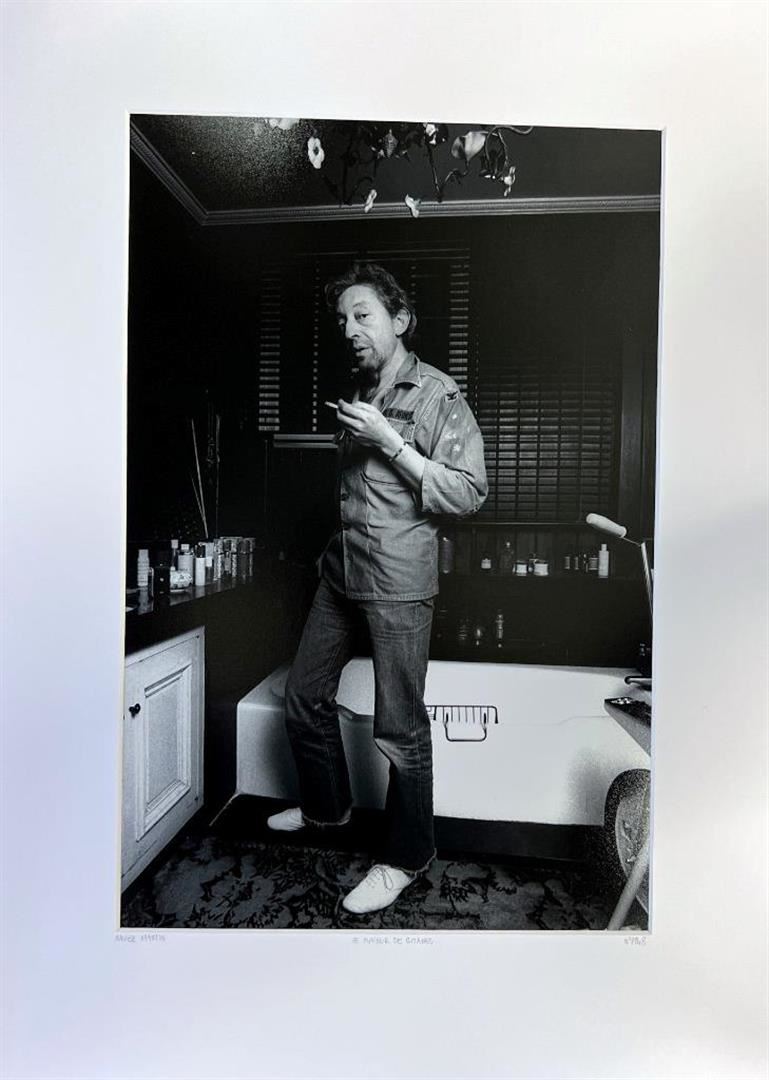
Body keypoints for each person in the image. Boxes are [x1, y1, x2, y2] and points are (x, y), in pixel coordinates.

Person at [267, 261, 488, 914]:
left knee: (399, 729)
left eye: (362, 315)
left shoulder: (438, 395)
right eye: (342, 319)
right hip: (340, 574)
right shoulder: (360, 391)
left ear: (401, 320)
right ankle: (326, 808)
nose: (348, 329)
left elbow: (467, 493)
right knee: (303, 696)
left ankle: (406, 856)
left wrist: (389, 441)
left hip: (398, 582)